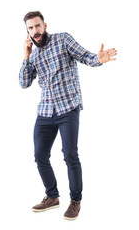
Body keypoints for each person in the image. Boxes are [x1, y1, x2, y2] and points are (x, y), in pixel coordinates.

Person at [19, 11, 117, 220]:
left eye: (37, 26)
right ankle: (52, 196)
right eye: (30, 28)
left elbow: (85, 56)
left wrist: (98, 59)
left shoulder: (62, 39)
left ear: (45, 25)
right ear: (27, 31)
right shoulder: (33, 54)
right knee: (39, 155)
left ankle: (75, 201)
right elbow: (24, 83)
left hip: (67, 109)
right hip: (45, 111)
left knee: (70, 154)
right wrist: (26, 56)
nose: (35, 31)